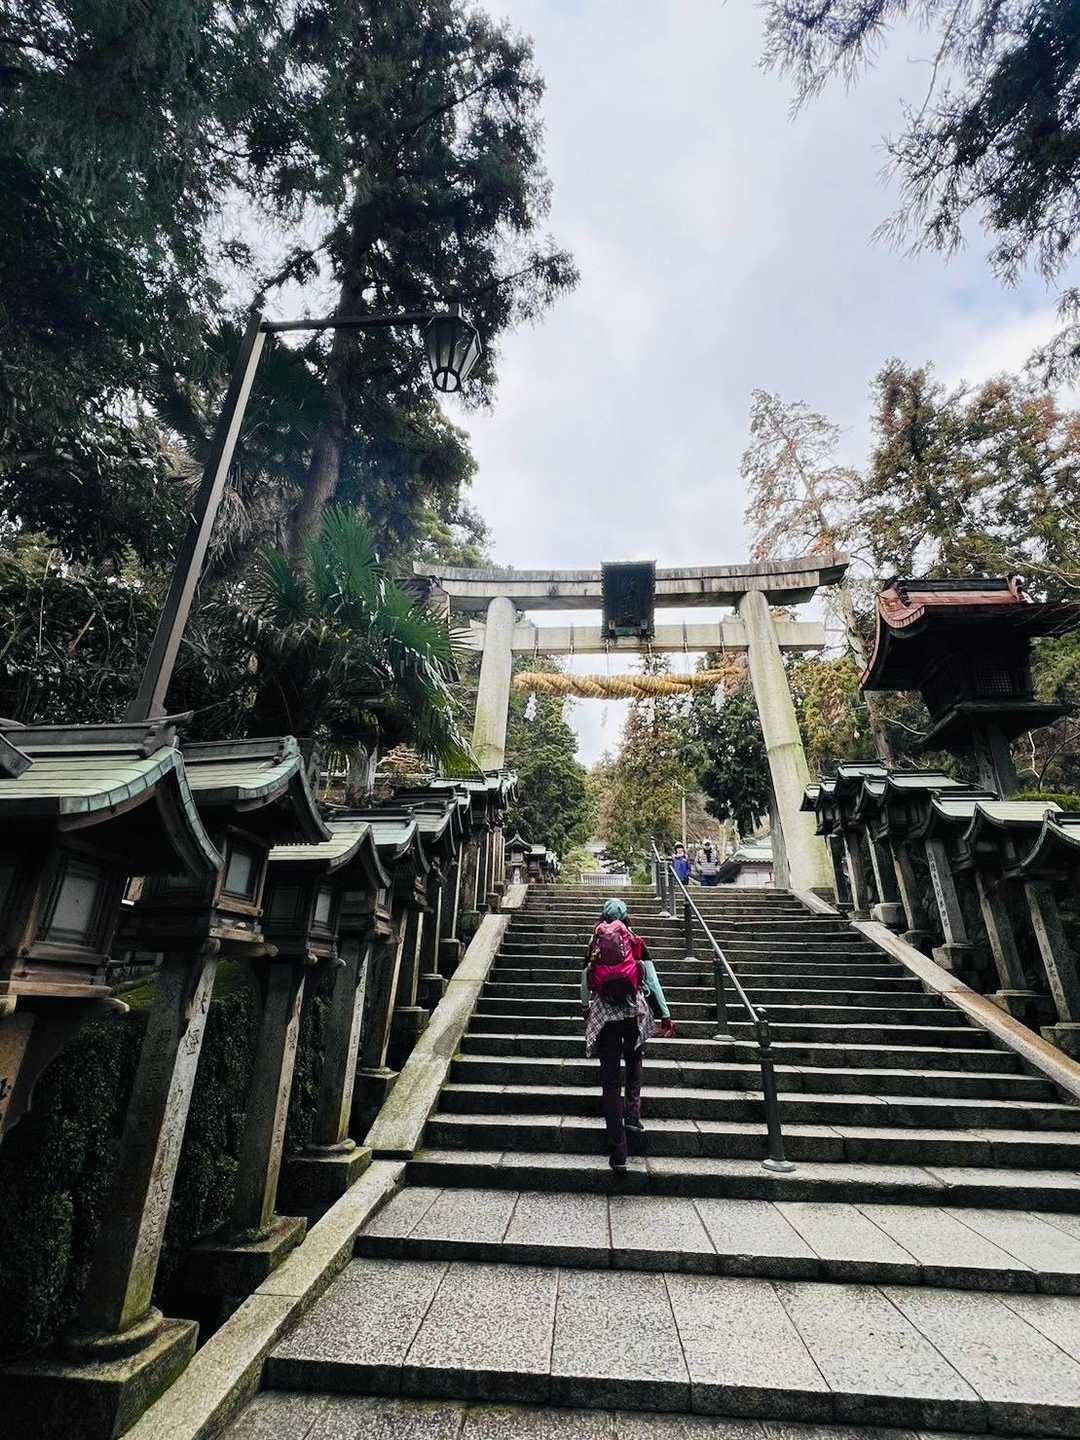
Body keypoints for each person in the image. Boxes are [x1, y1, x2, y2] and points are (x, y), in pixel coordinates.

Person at [581, 897, 674, 1173]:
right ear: (626, 917)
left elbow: (585, 978)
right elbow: (652, 981)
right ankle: (633, 1115)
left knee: (610, 1080)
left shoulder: (594, 941)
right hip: (634, 1012)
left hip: (605, 1016)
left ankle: (618, 1151)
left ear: (602, 916)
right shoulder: (636, 941)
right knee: (634, 1062)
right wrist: (664, 1013)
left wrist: (585, 1008)